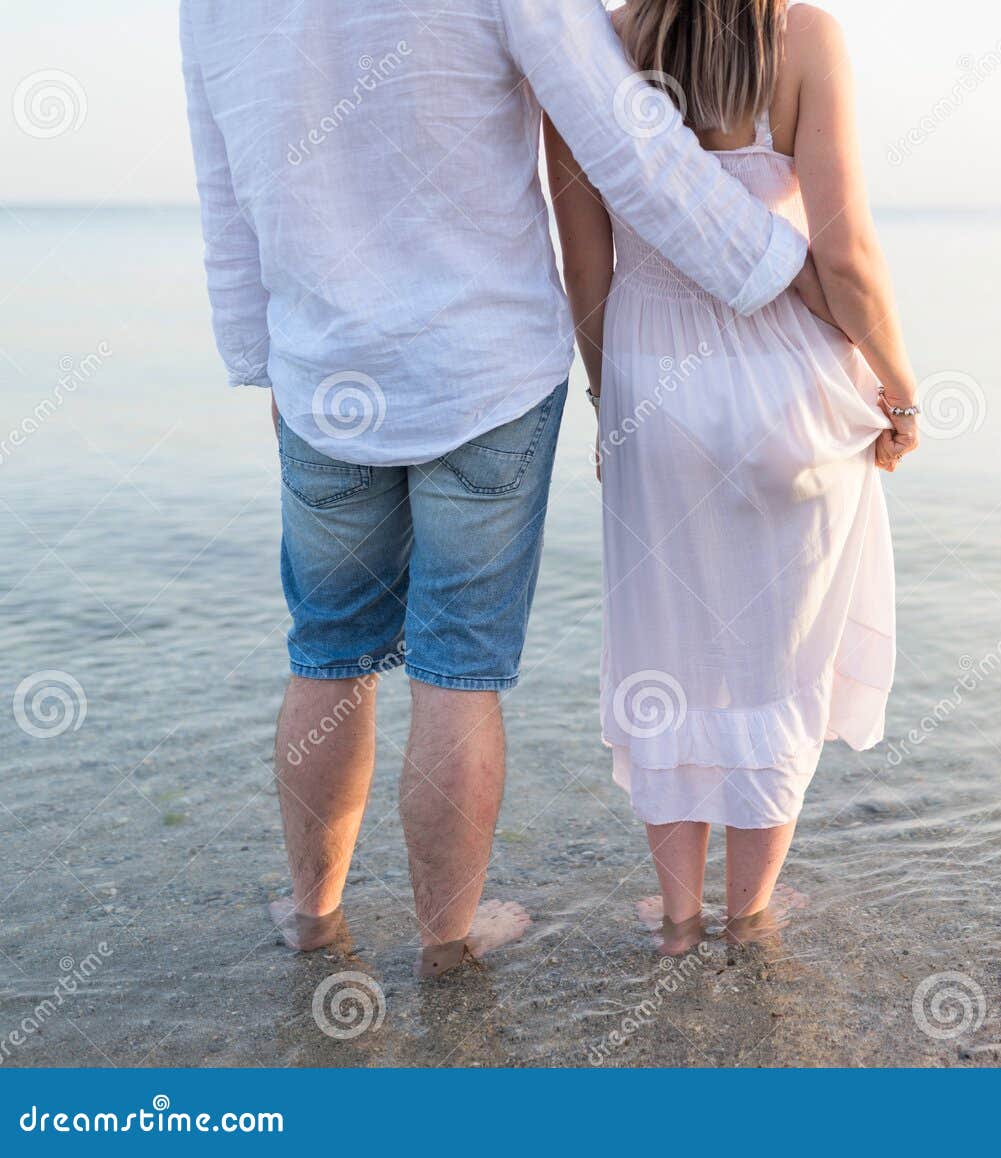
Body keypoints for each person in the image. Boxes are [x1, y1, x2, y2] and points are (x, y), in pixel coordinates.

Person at [180, 0, 827, 977]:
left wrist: (257, 364)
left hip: (320, 376)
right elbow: (625, 144)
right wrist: (781, 267)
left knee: (327, 654)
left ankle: (314, 918)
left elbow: (222, 193)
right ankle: (447, 942)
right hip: (482, 374)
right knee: (458, 669)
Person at [546, 0, 920, 952]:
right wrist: (901, 388)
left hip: (652, 384)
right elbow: (845, 252)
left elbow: (584, 262)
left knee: (667, 661)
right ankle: (748, 920)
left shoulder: (593, 42)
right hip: (786, 391)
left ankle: (676, 924)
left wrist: (609, 400)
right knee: (775, 665)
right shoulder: (803, 36)